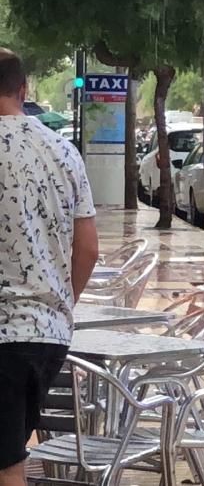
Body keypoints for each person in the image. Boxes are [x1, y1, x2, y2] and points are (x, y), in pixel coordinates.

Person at [0, 49, 99, 486]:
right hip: (48, 338)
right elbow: (89, 249)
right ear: (23, 90)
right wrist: (58, 307)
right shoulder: (64, 151)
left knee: (8, 465)